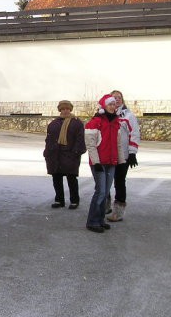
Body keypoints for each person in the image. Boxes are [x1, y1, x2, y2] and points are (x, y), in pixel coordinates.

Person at [84, 94, 126, 233]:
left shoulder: (116, 122)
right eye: (110, 104)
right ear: (104, 106)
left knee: (106, 191)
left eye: (114, 104)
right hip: (99, 163)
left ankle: (100, 220)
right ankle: (92, 221)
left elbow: (118, 144)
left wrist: (121, 161)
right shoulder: (95, 122)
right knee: (101, 191)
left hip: (111, 162)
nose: (113, 107)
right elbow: (90, 145)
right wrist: (95, 162)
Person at [43, 100, 86, 210]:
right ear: (60, 110)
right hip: (55, 155)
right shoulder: (54, 124)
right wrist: (47, 152)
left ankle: (74, 200)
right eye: (63, 109)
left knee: (71, 179)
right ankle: (59, 200)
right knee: (56, 178)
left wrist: (75, 152)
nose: (65, 111)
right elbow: (49, 139)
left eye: (67, 108)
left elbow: (80, 140)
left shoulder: (77, 123)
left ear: (70, 109)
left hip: (70, 155)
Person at [107, 89, 141, 222]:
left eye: (119, 97)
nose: (116, 99)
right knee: (105, 182)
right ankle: (104, 207)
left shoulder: (128, 116)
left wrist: (132, 153)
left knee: (119, 182)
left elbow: (135, 134)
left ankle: (118, 212)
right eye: (113, 97)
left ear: (122, 100)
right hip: (107, 154)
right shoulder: (104, 115)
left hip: (123, 155)